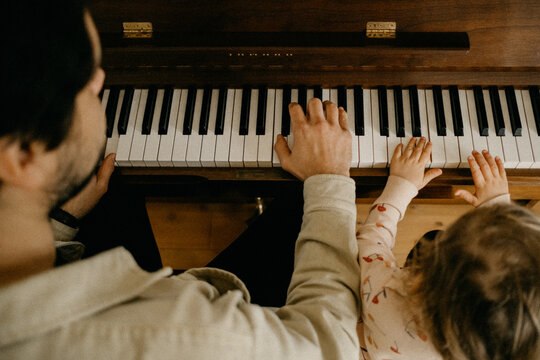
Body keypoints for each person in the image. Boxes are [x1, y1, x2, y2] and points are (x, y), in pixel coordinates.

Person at [1, 1, 362, 359]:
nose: (100, 80)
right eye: (85, 78)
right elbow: (330, 344)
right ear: (20, 157)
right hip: (181, 307)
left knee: (109, 182)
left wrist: (59, 227)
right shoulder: (186, 338)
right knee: (301, 208)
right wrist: (328, 178)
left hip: (67, 257)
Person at [357, 140, 540, 360]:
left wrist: (401, 185)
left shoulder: (387, 299)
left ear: (423, 280)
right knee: (434, 238)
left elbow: (372, 240)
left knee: (432, 238)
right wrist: (497, 211)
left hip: (372, 338)